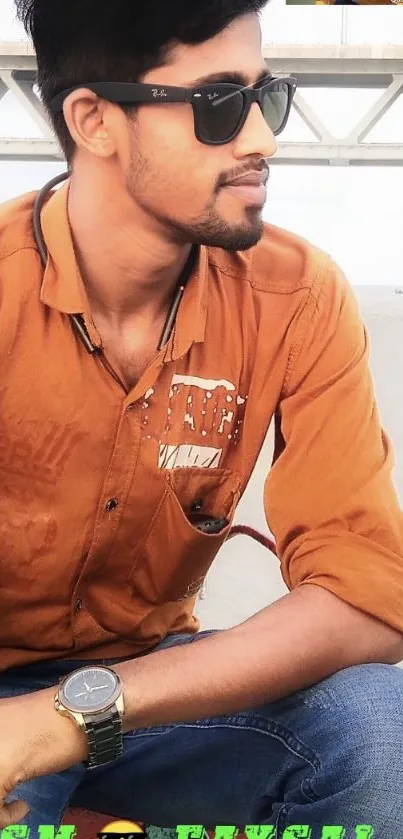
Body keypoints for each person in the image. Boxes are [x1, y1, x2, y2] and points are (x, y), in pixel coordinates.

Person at [1, 0, 403, 835]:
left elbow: (362, 595)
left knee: (383, 729)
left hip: (147, 693)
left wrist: (73, 711)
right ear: (95, 121)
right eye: (220, 102)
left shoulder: (296, 297)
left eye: (270, 96)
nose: (262, 138)